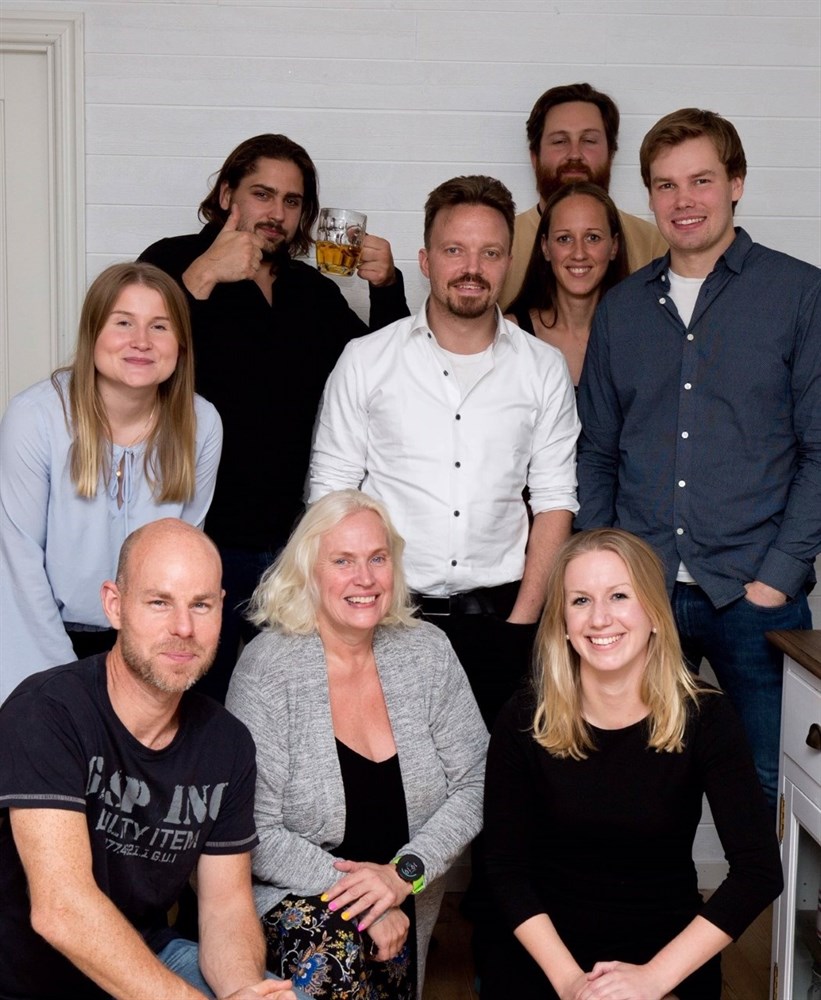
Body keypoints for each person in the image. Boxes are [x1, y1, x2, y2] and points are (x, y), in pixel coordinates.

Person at [576, 107, 821, 809]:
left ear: (736, 184)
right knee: (640, 786)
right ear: (650, 196)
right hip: (641, 594)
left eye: (701, 181)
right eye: (665, 185)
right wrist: (606, 571)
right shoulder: (621, 309)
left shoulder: (799, 295)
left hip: (754, 596)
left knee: (767, 782)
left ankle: (755, 895)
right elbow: (596, 452)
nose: (683, 201)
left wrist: (776, 578)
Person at [139, 133, 409, 702]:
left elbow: (381, 374)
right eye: (262, 194)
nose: (277, 213)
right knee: (190, 700)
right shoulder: (170, 260)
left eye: (292, 201)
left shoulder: (311, 291)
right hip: (200, 533)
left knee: (293, 700)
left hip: (292, 541)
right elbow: (137, 357)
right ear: (226, 194)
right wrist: (203, 275)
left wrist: (387, 288)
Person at [309, 175, 580, 727]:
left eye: (490, 252)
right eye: (454, 250)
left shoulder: (543, 368)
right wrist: (351, 616)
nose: (471, 267)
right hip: (386, 619)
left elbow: (555, 501)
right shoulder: (366, 360)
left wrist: (523, 626)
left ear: (509, 262)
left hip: (502, 621)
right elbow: (330, 497)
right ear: (426, 260)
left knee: (498, 776)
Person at [0, 518, 303, 1000]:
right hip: (32, 982)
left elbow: (225, 908)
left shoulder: (227, 743)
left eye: (200, 605)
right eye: (159, 602)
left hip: (149, 955)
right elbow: (61, 909)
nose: (183, 628)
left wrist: (244, 989)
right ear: (114, 605)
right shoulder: (46, 712)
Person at [483, 528, 783, 1000]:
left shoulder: (707, 716)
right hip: (548, 954)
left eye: (619, 596)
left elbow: (758, 873)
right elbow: (504, 868)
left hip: (665, 955)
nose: (600, 618)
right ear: (562, 623)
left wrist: (652, 980)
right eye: (581, 600)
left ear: (655, 614)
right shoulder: (523, 717)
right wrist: (572, 984)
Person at [225, 490, 487, 1000]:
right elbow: (254, 830)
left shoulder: (428, 654)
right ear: (309, 572)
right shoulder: (267, 669)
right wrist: (367, 898)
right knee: (337, 955)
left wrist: (402, 876)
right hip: (297, 900)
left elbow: (477, 779)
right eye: (342, 561)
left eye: (377, 558)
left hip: (404, 903)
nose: (364, 578)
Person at [0, 262, 222, 700]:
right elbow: (18, 566)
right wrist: (63, 687)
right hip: (45, 637)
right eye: (123, 322)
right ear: (93, 333)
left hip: (147, 642)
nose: (141, 341)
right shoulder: (35, 418)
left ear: (180, 343)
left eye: (159, 326)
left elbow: (183, 554)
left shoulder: (201, 423)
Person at [501, 82, 667, 309]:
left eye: (589, 140)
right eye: (560, 141)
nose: (575, 154)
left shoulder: (654, 244)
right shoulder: (501, 241)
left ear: (611, 154)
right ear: (535, 157)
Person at [505, 181, 628, 386]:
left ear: (614, 246)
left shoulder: (640, 336)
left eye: (592, 237)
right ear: (545, 247)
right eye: (564, 239)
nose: (579, 253)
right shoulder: (511, 334)